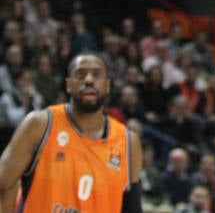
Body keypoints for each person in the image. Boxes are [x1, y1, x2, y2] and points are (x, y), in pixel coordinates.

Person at [0, 52, 143, 212]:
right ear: (68, 84)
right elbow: (4, 185)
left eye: (96, 75)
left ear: (107, 85)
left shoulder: (128, 141)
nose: (89, 80)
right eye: (80, 74)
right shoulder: (40, 125)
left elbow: (132, 208)